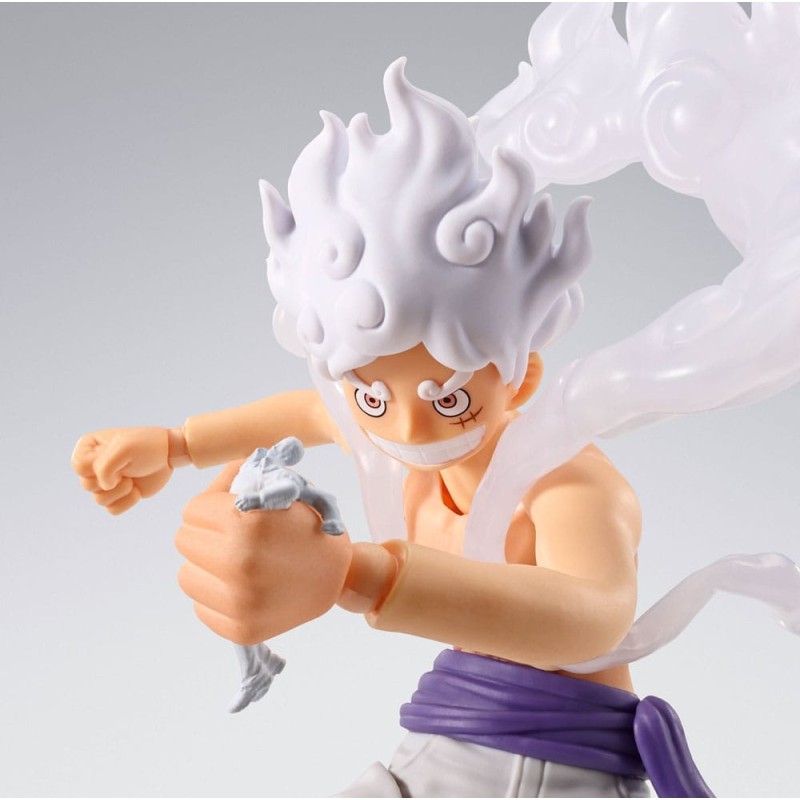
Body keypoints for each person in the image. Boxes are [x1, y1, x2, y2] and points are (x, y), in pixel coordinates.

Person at [71, 59, 717, 799]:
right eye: (373, 398)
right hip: (458, 727)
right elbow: (309, 411)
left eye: (450, 398)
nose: (408, 426)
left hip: (552, 759)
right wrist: (175, 445)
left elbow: (592, 617)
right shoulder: (397, 445)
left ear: (521, 376)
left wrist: (355, 574)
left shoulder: (567, 483)